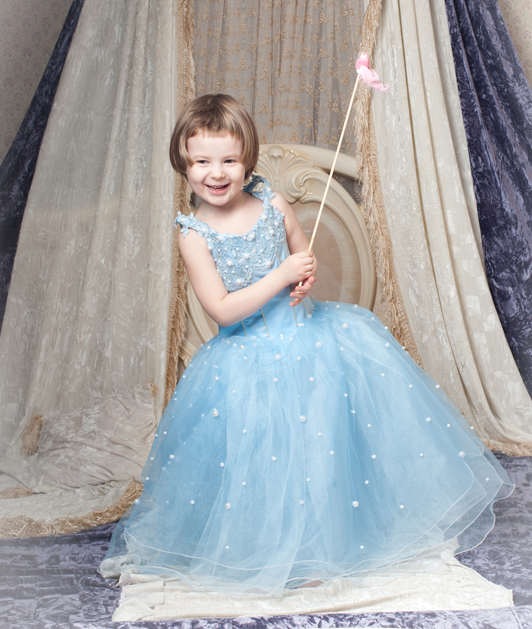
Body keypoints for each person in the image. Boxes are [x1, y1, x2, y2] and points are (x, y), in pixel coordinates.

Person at [100, 93, 512, 597]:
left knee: (321, 447)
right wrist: (281, 275)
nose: (217, 173)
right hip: (245, 359)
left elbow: (302, 253)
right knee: (263, 457)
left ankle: (322, 548)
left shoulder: (272, 204)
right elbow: (222, 309)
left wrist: (305, 273)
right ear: (183, 164)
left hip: (312, 339)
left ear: (247, 159)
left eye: (229, 160)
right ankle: (266, 548)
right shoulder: (194, 234)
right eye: (202, 161)